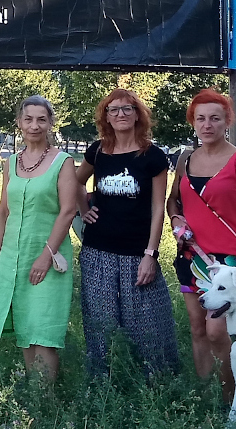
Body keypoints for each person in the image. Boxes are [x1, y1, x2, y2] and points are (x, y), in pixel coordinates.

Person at [74, 87, 179, 377]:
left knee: (149, 324)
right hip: (98, 252)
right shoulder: (97, 151)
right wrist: (83, 210)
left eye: (126, 109)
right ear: (106, 117)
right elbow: (75, 182)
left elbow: (158, 208)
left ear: (137, 115)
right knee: (100, 324)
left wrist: (151, 254)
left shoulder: (153, 156)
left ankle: (158, 383)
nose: (120, 114)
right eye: (113, 109)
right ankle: (102, 382)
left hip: (137, 253)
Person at [166, 88, 236, 403]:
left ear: (227, 121)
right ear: (193, 122)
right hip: (191, 255)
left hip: (229, 260)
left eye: (215, 119)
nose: (207, 125)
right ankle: (206, 396)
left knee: (217, 330)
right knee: (197, 328)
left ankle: (233, 397)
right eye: (201, 119)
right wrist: (175, 219)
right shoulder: (185, 159)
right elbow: (173, 201)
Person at [0, 96, 78, 379]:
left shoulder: (63, 162)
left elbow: (68, 211)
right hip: (14, 258)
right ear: (19, 123)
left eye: (41, 119)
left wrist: (45, 256)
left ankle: (46, 401)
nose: (34, 125)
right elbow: (3, 212)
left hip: (48, 258)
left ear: (50, 123)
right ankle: (34, 397)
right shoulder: (11, 162)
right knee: (25, 330)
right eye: (28, 119)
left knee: (44, 332)